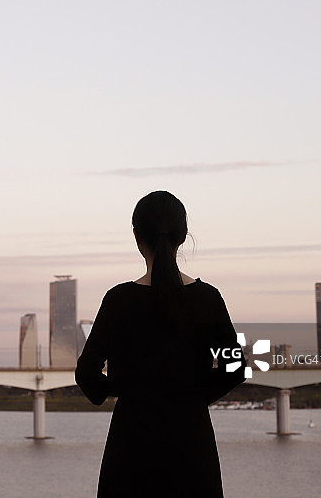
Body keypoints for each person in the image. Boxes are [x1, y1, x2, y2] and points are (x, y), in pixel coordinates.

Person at [75, 191, 246, 497]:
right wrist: (192, 397)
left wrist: (124, 389)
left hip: (130, 450)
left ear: (136, 236)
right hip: (193, 449)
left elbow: (86, 373)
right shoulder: (208, 300)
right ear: (182, 237)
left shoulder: (118, 301)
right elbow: (235, 368)